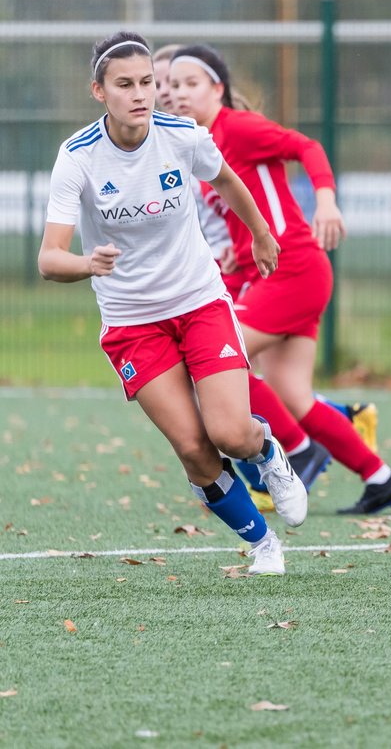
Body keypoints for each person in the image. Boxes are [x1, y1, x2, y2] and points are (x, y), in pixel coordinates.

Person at [38, 32, 308, 575]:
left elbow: (227, 180)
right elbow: (49, 258)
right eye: (125, 85)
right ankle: (263, 545)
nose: (141, 94)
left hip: (200, 301)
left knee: (229, 433)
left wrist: (259, 233)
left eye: (147, 83)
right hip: (132, 323)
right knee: (193, 449)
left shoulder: (183, 135)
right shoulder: (79, 157)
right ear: (99, 91)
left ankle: (268, 452)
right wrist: (88, 263)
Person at [167, 43, 391, 515]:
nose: (177, 93)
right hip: (280, 272)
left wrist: (327, 200)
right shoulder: (199, 144)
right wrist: (234, 258)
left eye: (190, 84)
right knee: (293, 392)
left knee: (221, 360)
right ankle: (382, 480)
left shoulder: (238, 127)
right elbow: (244, 216)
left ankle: (297, 452)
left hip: (294, 268)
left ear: (218, 88)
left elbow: (307, 146)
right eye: (172, 85)